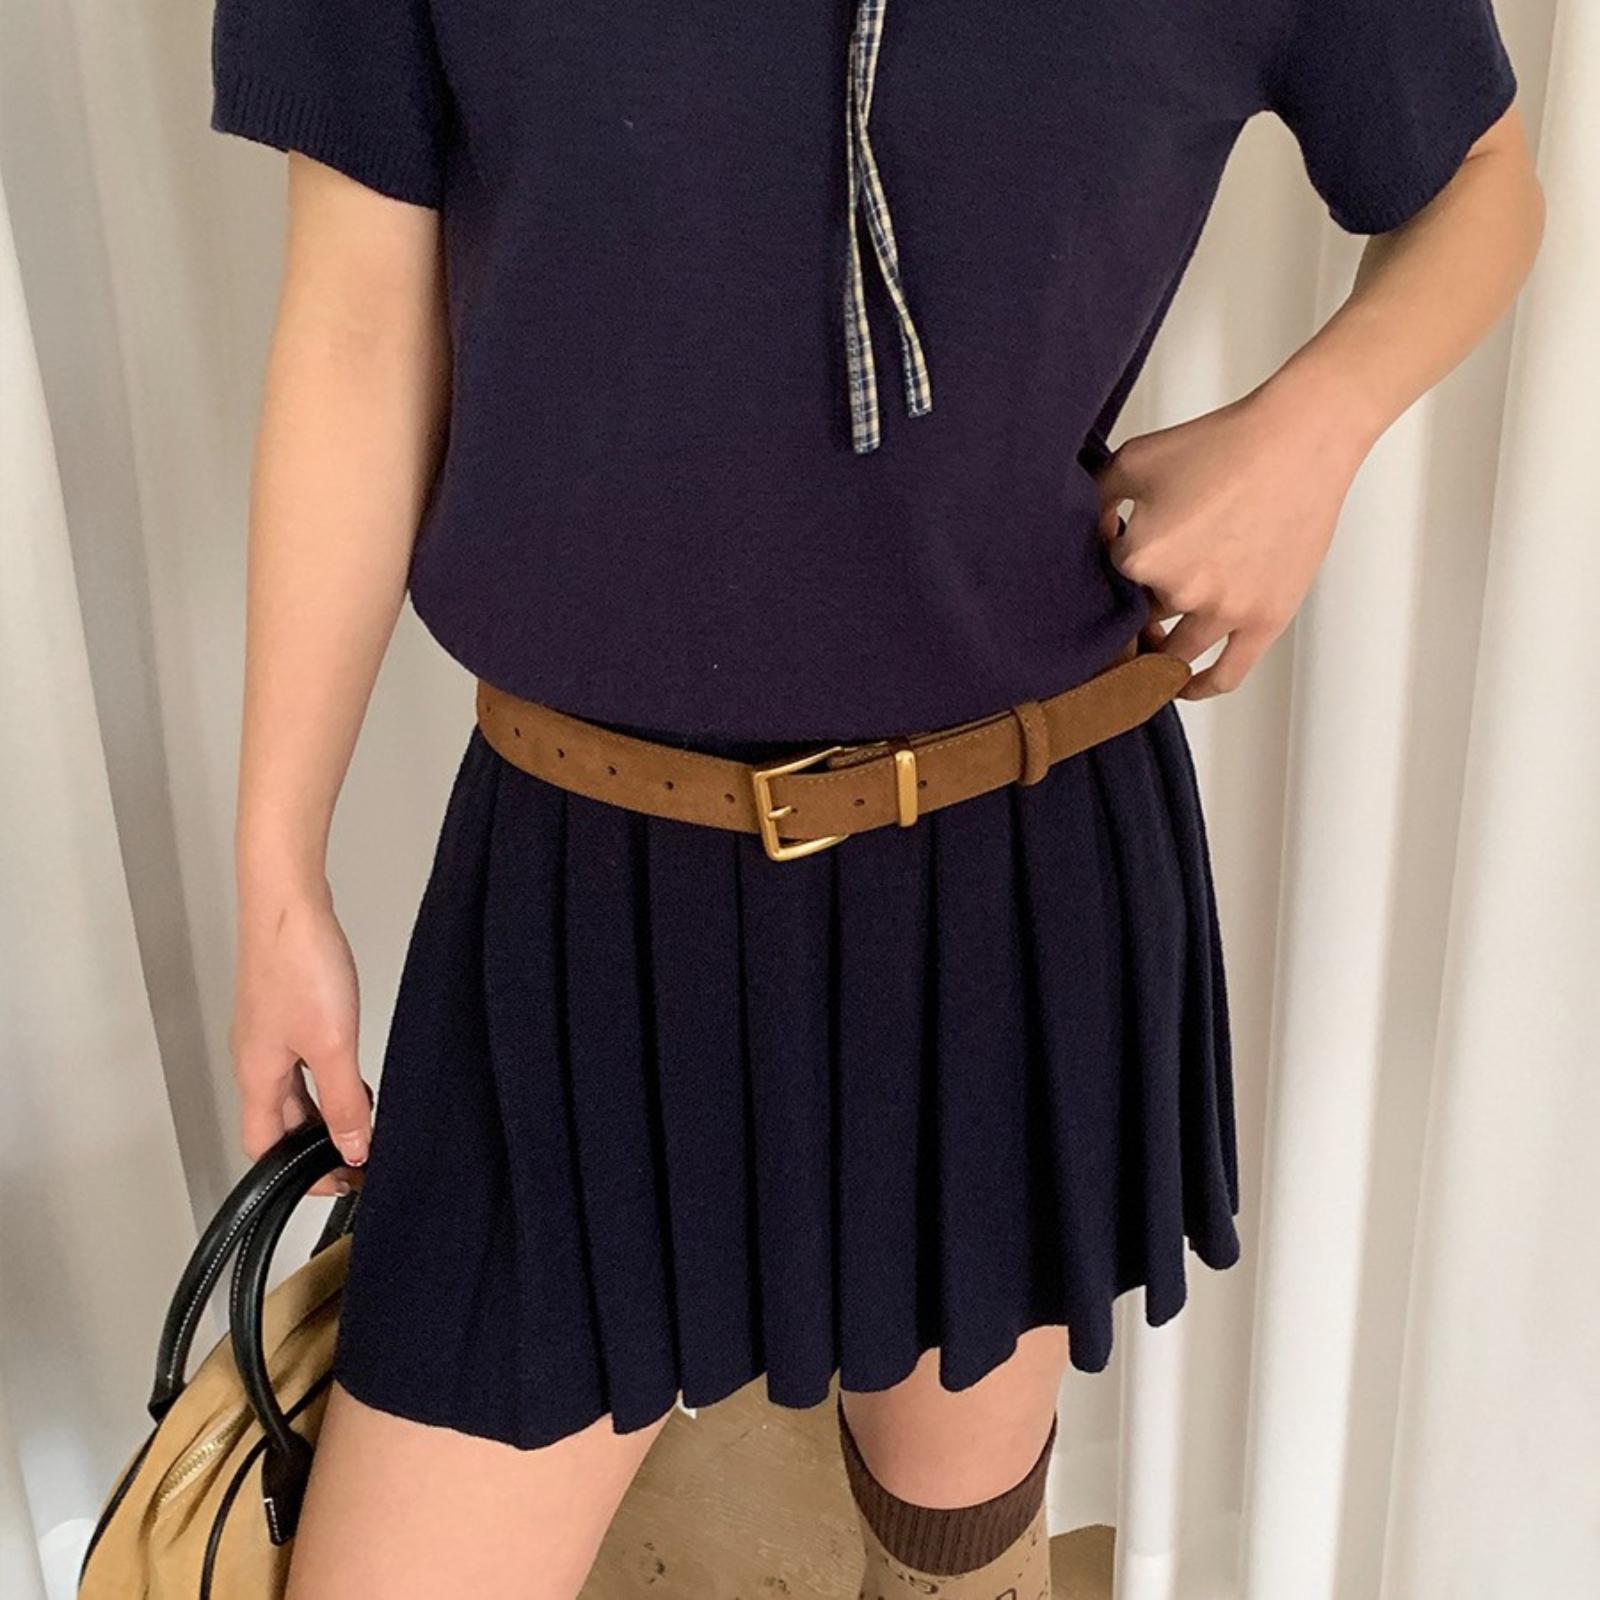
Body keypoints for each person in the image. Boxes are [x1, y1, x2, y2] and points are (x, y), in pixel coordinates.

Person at [209, 1, 1543, 1595]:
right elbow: (355, 325)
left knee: (953, 1544)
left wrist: (1311, 433)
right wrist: (279, 872)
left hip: (1015, 863)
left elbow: (1481, 177)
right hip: (576, 893)